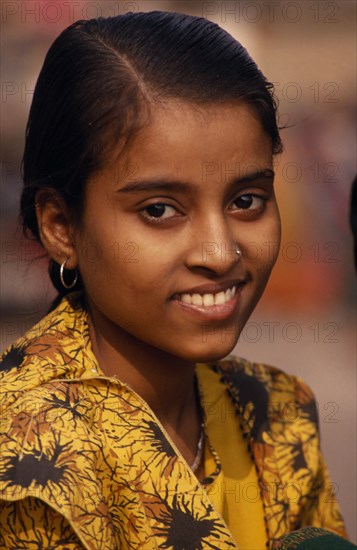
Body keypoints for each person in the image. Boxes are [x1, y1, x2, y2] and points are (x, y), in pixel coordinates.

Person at [0, 11, 348, 550]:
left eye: (247, 200)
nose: (220, 252)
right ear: (62, 227)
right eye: (160, 210)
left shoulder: (277, 414)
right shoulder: (29, 455)